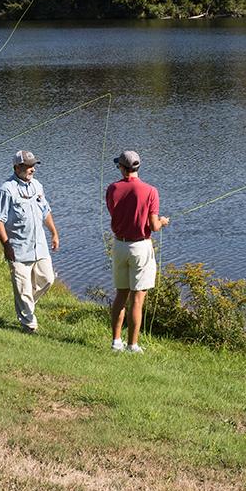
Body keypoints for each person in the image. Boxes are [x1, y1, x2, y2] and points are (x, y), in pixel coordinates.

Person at [105, 149, 169, 353]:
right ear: (137, 167)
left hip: (119, 246)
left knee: (120, 295)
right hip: (141, 246)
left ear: (122, 168)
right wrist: (163, 221)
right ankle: (132, 345)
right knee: (137, 299)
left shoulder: (112, 189)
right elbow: (154, 226)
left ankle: (116, 342)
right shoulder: (151, 191)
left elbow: (115, 213)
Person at [0, 150, 60, 334]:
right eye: (28, 166)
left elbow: (45, 211)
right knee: (23, 289)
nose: (32, 169)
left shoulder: (37, 186)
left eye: (33, 165)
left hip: (40, 246)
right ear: (17, 167)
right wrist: (6, 245)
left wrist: (54, 233)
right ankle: (29, 326)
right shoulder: (6, 190)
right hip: (18, 249)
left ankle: (26, 304)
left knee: (48, 280)